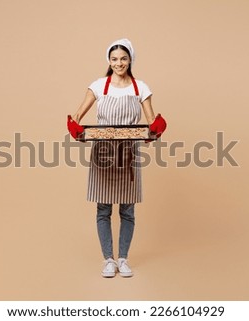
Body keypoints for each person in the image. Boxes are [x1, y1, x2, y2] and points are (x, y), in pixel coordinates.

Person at [67, 38, 166, 278]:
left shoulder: (140, 88)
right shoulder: (99, 85)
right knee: (103, 209)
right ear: (108, 61)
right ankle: (108, 260)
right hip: (103, 153)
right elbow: (78, 114)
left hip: (129, 153)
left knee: (127, 210)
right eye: (114, 59)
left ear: (130, 59)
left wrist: (156, 130)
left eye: (123, 58)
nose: (118, 63)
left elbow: (151, 122)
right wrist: (75, 128)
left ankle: (123, 258)